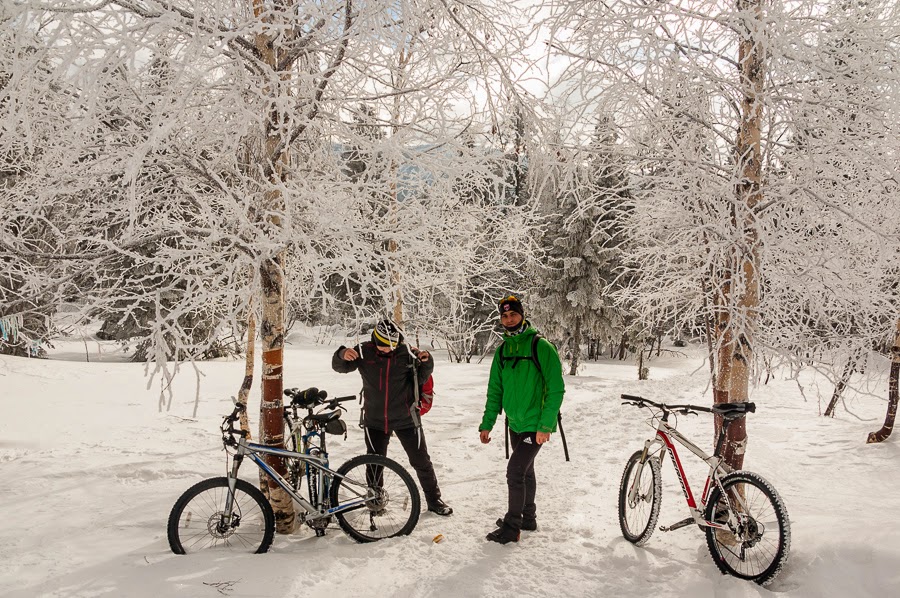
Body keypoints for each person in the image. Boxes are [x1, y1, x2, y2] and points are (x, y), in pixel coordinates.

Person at [332, 319, 453, 516]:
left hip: (406, 417)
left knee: (421, 460)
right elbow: (340, 367)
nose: (388, 349)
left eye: (391, 345)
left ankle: (434, 500)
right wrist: (341, 354)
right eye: (383, 345)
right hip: (375, 419)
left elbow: (423, 376)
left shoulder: (407, 353)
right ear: (374, 339)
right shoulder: (364, 351)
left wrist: (427, 360)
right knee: (375, 463)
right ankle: (376, 501)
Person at [479, 295, 565, 544]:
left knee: (515, 472)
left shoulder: (541, 347)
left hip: (535, 425)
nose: (509, 319)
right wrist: (487, 423)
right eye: (504, 316)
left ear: (522, 315)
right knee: (526, 472)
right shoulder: (503, 351)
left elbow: (556, 388)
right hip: (514, 424)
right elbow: (495, 390)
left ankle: (512, 527)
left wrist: (545, 425)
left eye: (513, 314)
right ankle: (528, 517)